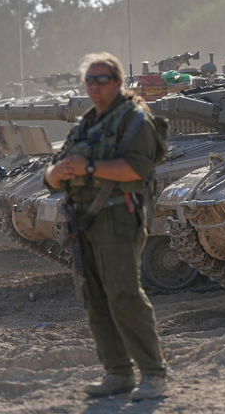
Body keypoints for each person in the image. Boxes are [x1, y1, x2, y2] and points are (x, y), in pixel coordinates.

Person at [43, 52, 168, 401]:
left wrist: (89, 168)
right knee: (94, 296)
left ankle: (153, 373)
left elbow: (137, 169)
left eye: (102, 79)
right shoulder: (84, 124)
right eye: (90, 80)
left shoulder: (134, 119)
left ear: (118, 82)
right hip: (82, 218)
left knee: (123, 293)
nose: (95, 86)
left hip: (118, 215)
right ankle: (118, 372)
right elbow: (50, 175)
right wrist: (57, 173)